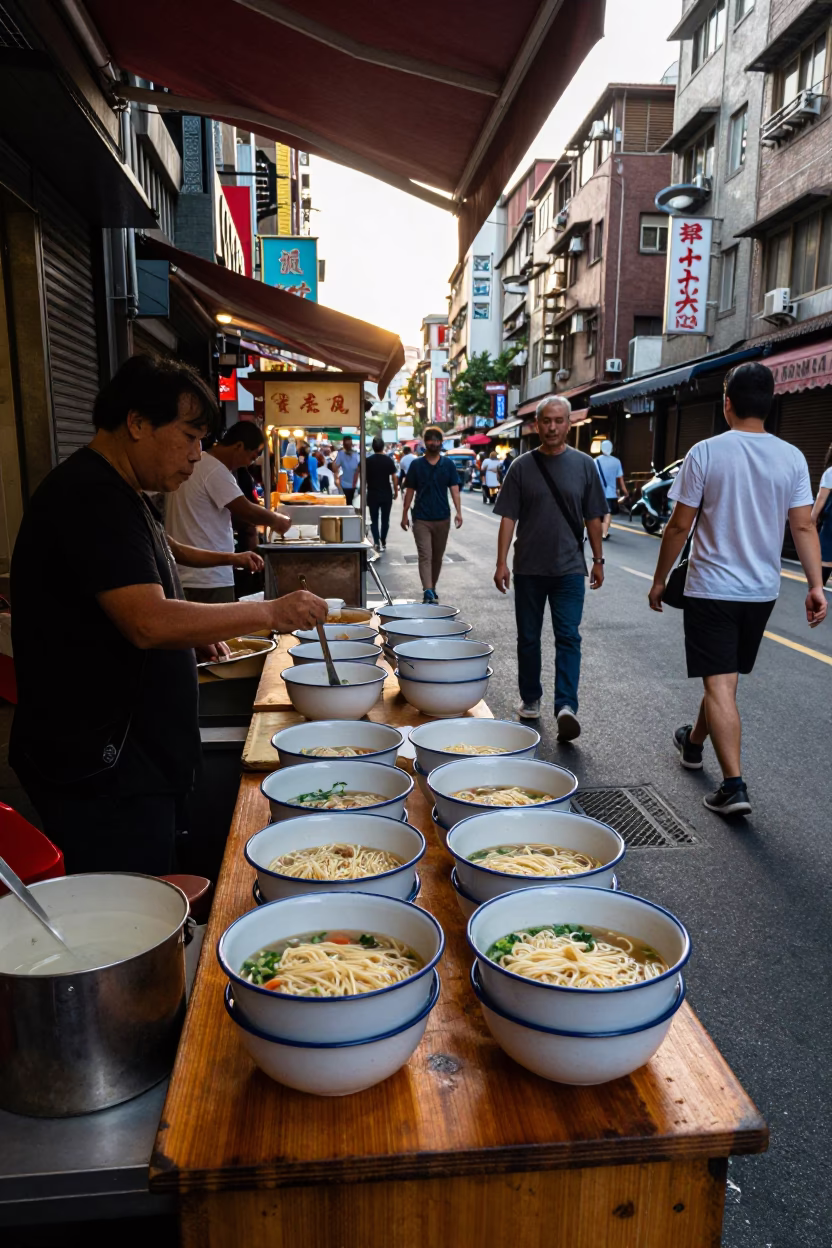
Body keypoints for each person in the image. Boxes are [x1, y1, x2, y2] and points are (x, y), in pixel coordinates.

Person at [9, 355, 327, 876]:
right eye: (190, 437)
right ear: (137, 423)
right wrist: (270, 611)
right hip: (101, 765)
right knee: (129, 908)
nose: (197, 456)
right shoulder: (90, 497)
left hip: (132, 758)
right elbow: (148, 622)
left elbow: (144, 598)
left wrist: (194, 634)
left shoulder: (127, 493)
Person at [648, 362, 827, 817]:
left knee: (721, 684)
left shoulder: (705, 452)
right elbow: (803, 525)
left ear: (727, 403)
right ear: (770, 403)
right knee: (724, 678)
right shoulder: (791, 457)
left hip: (711, 588)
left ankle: (734, 785)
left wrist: (659, 579)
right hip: (761, 592)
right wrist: (815, 586)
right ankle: (692, 743)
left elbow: (678, 526)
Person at [493, 396, 607, 740]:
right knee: (527, 638)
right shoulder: (521, 467)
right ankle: (531, 698)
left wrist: (598, 561)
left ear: (568, 424)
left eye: (559, 420)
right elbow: (508, 518)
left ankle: (566, 706)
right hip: (528, 568)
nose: (553, 427)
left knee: (569, 637)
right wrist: (501, 562)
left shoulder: (585, 466)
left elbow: (593, 518)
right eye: (547, 421)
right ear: (537, 425)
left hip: (570, 569)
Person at [165, 421, 291, 603]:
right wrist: (278, 520)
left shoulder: (201, 465)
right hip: (208, 578)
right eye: (252, 456)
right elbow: (245, 510)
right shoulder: (213, 469)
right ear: (238, 446)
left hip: (188, 572)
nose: (250, 463)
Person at [401, 425, 462, 604]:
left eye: (436, 440)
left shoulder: (448, 464)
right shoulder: (416, 465)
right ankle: (427, 589)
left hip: (443, 517)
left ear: (441, 442)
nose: (433, 443)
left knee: (437, 556)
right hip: (421, 518)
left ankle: (432, 587)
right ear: (424, 442)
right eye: (430, 440)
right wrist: (404, 514)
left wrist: (459, 512)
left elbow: (455, 490)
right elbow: (410, 491)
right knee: (425, 555)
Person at [366, 435, 399, 552]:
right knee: (385, 520)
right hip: (386, 494)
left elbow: (363, 477)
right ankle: (383, 541)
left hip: (372, 494)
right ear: (383, 447)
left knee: (374, 520)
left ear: (373, 447)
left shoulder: (368, 461)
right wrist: (396, 491)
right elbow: (394, 477)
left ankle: (376, 542)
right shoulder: (388, 460)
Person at [810, 441, 832, 587]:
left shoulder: (830, 472)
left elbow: (821, 498)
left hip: (831, 522)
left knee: (825, 557)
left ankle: (818, 590)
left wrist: (812, 518)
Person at [595, 440, 627, 540]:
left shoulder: (595, 461)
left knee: (598, 513)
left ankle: (599, 531)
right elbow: (620, 480)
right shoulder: (617, 462)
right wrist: (625, 491)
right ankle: (604, 533)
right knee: (607, 513)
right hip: (611, 494)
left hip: (597, 493)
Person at [334, 435, 360, 505]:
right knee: (346, 503)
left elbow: (360, 469)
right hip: (343, 485)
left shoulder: (356, 455)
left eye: (349, 444)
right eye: (346, 444)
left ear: (351, 444)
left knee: (350, 503)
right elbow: (335, 468)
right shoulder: (341, 454)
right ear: (344, 445)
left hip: (353, 484)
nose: (348, 445)